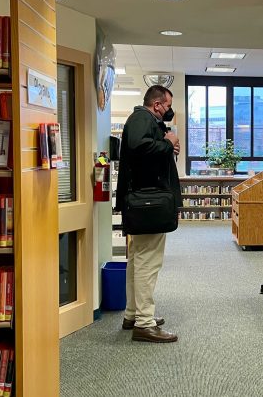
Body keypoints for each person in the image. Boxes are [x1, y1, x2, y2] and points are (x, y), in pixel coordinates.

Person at [115, 85, 181, 343]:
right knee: (147, 262)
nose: (169, 111)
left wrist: (166, 143)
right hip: (147, 202)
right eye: (167, 105)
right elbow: (140, 147)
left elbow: (145, 149)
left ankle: (133, 314)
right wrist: (167, 142)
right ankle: (144, 322)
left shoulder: (143, 120)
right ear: (157, 105)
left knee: (137, 258)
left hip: (144, 201)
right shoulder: (142, 118)